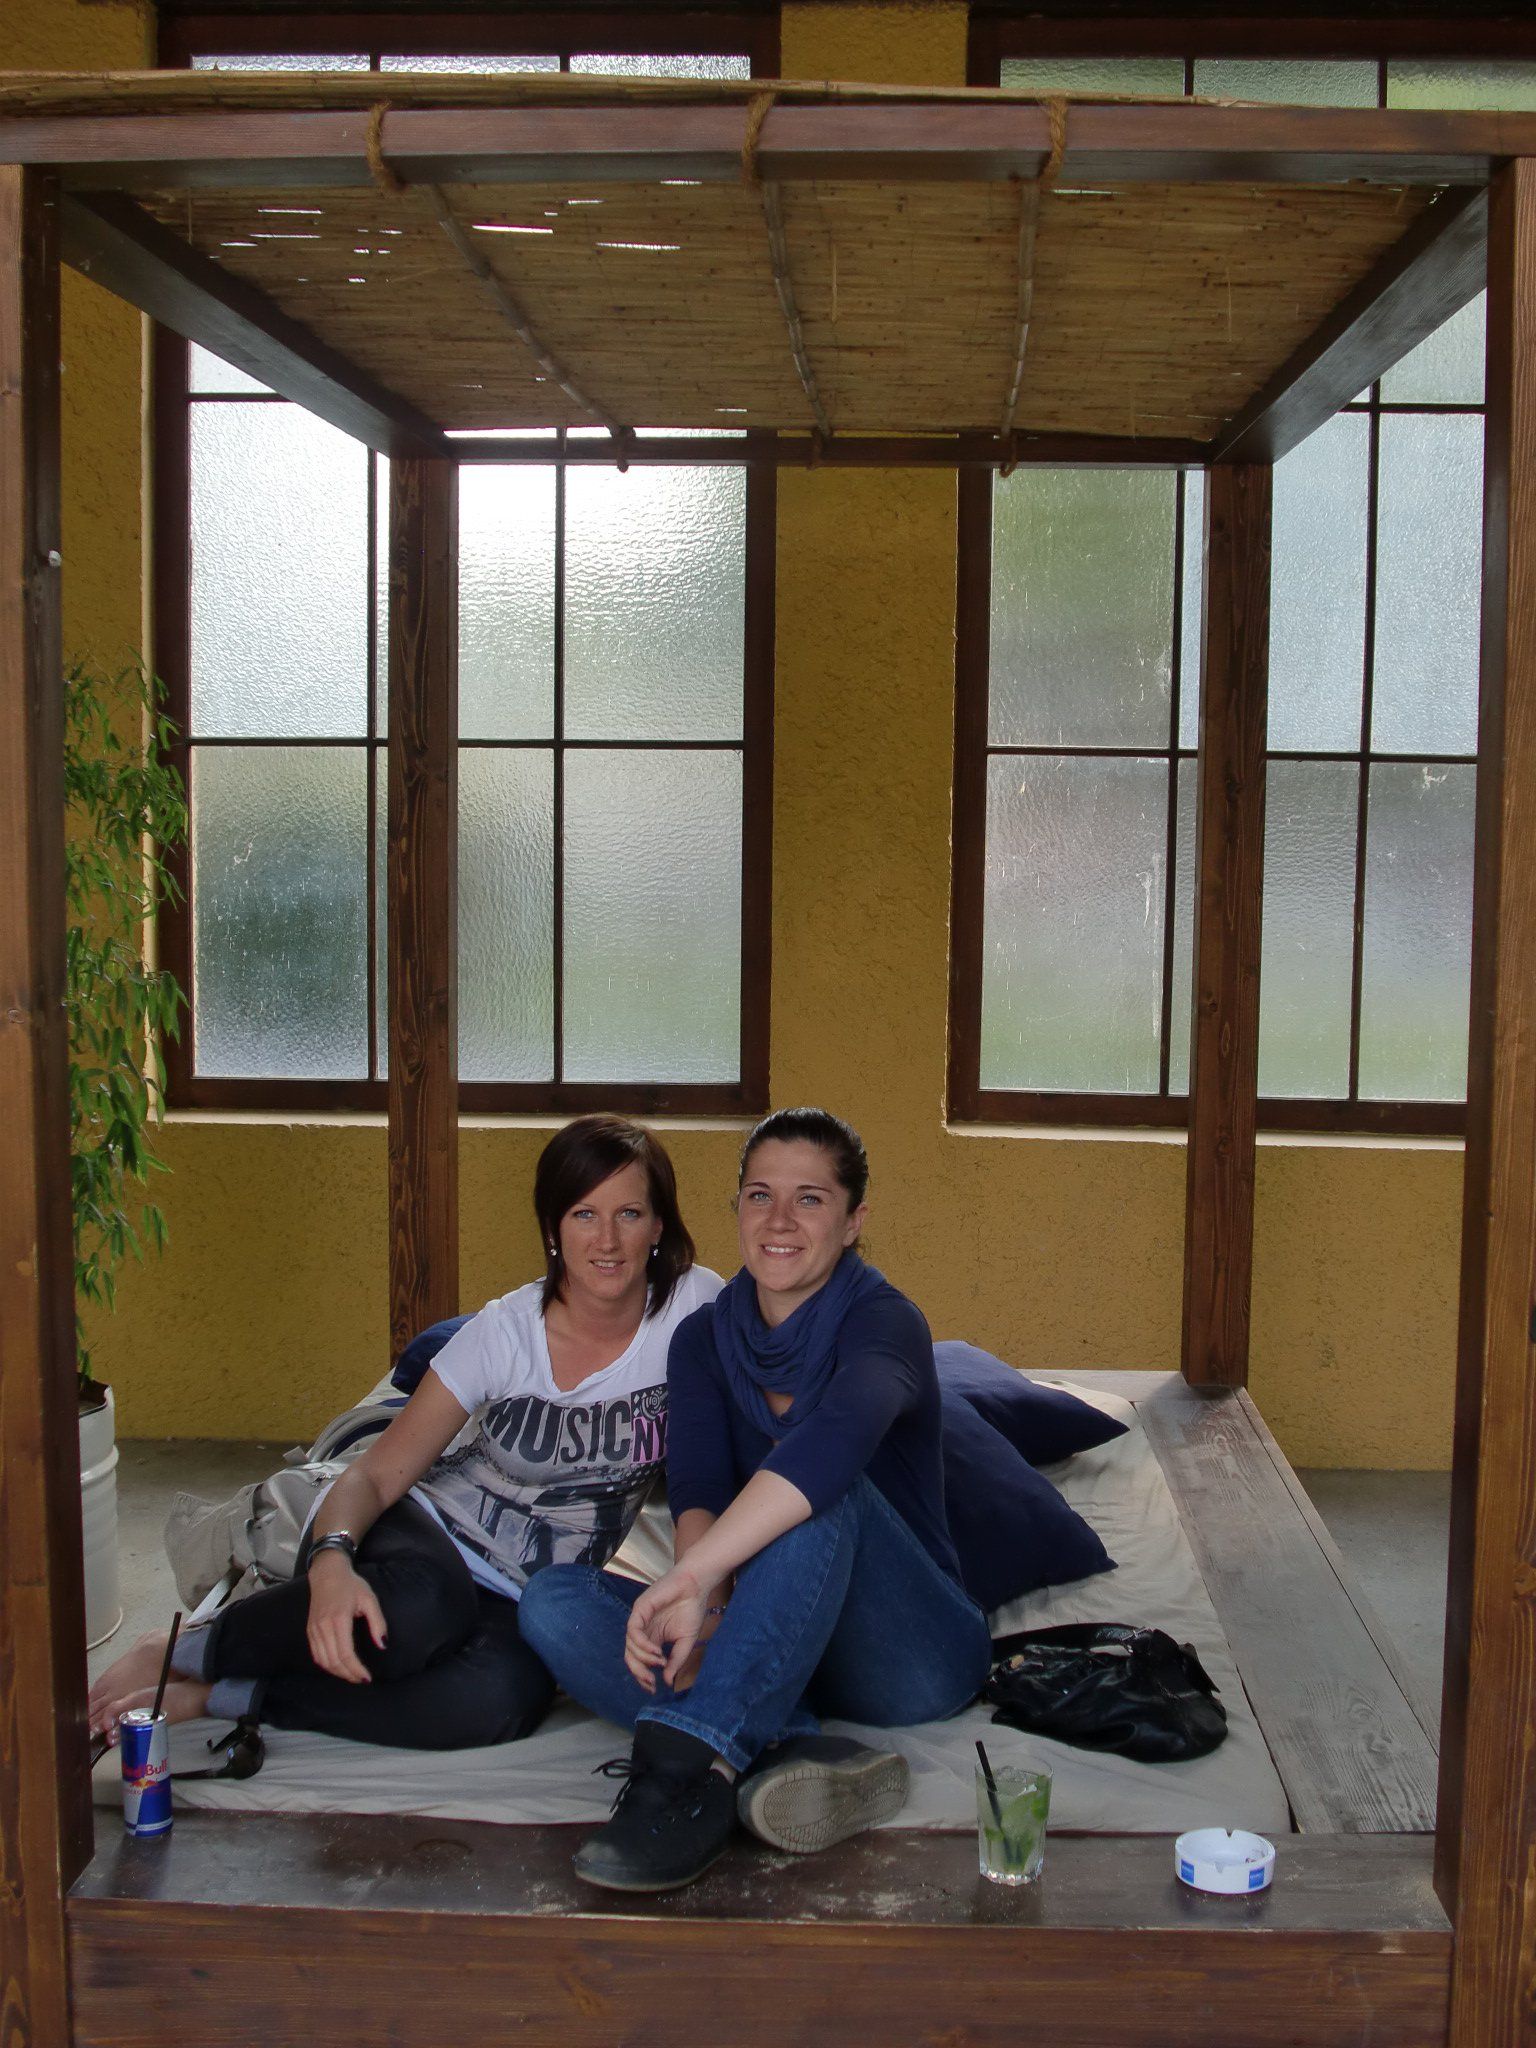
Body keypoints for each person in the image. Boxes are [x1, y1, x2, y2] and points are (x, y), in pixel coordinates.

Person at [88, 1115, 721, 1752]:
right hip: (426, 1538)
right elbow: (371, 1475)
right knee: (423, 1612)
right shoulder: (504, 1332)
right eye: (584, 1214)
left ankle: (225, 1697)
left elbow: (743, 1416)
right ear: (553, 1229)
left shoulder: (693, 1307)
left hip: (525, 1593)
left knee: (496, 1702)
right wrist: (332, 1562)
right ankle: (188, 1649)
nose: (607, 1240)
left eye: (629, 1213)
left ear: (658, 1225)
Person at [518, 1107, 993, 1892]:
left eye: (810, 1199)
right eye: (760, 1196)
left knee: (820, 1493)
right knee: (551, 1600)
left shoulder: (886, 1324)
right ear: (737, 1207)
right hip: (772, 1634)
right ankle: (796, 1749)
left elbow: (826, 1450)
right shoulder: (703, 1339)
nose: (779, 1221)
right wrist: (704, 1610)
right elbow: (698, 1490)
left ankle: (687, 1773)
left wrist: (692, 1578)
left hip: (908, 1653)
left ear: (852, 1222)